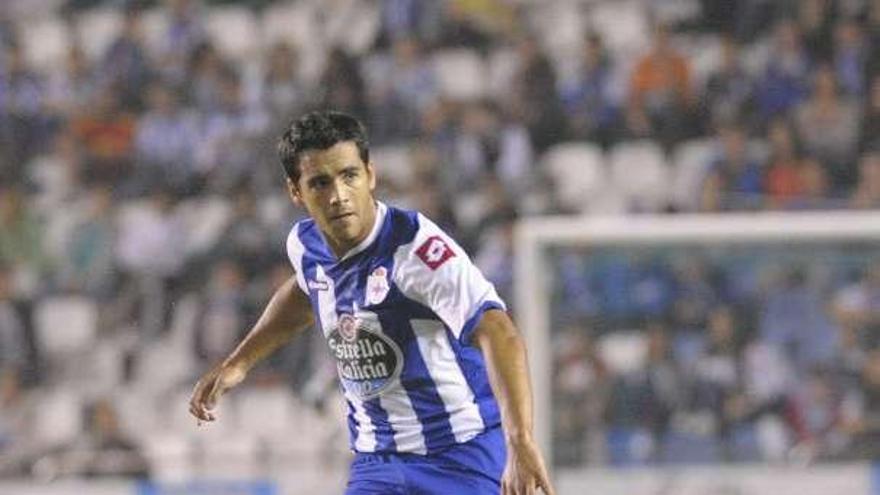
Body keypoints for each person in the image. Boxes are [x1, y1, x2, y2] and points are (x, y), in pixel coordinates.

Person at [189, 111, 554, 495]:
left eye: (349, 175)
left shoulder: (416, 250)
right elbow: (305, 291)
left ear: (370, 175)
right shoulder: (305, 245)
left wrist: (520, 440)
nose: (338, 195)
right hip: (378, 461)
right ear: (296, 192)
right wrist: (239, 363)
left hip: (460, 454)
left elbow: (498, 330)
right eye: (319, 183)